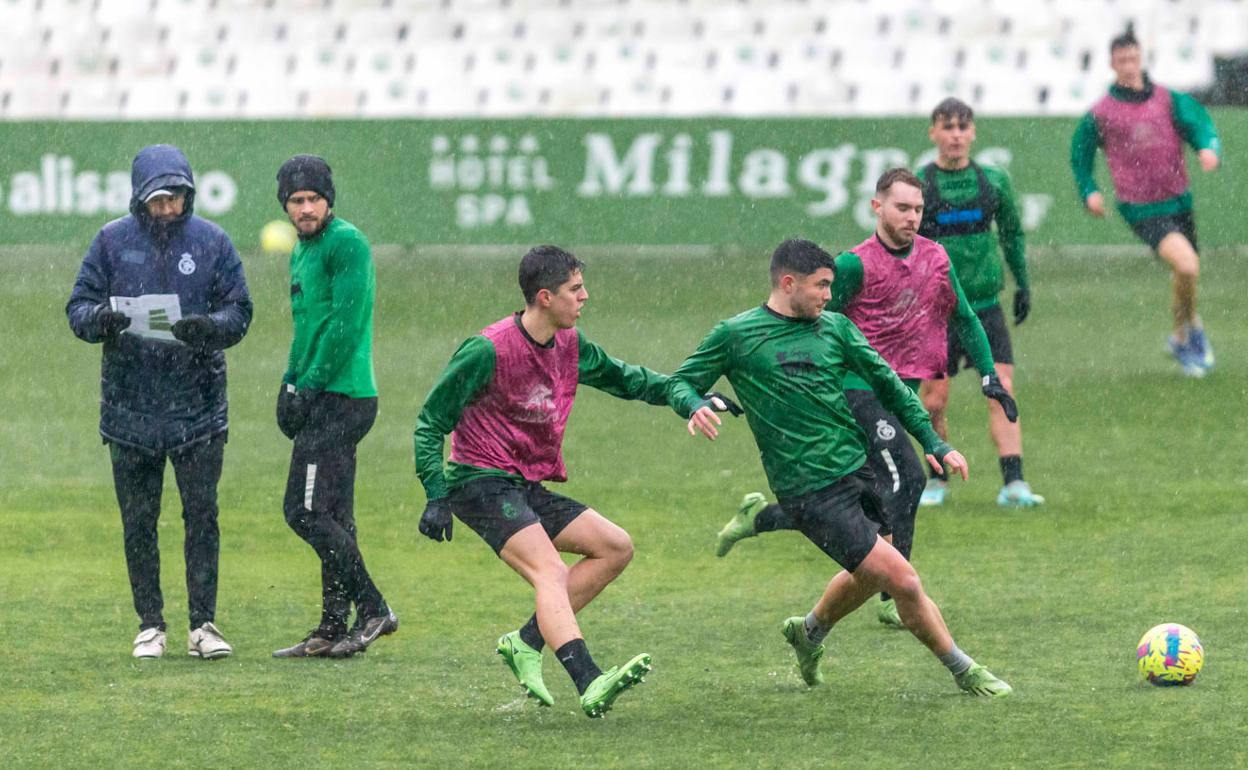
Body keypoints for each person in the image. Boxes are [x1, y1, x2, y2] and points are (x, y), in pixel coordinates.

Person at [669, 237, 1012, 697]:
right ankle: (964, 669)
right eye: (821, 286)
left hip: (858, 472)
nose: (830, 295)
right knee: (904, 580)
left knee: (869, 577)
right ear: (788, 284)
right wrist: (693, 403)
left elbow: (889, 387)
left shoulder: (835, 329)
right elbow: (681, 381)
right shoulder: (736, 335)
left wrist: (933, 441)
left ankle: (808, 632)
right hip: (808, 491)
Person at [715, 169, 1017, 629]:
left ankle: (762, 518)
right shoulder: (854, 265)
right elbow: (806, 322)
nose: (912, 216)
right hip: (855, 393)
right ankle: (896, 592)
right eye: (902, 207)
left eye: (918, 209)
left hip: (901, 394)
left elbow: (967, 316)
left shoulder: (935, 258)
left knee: (857, 502)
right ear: (877, 207)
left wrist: (990, 375)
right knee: (910, 478)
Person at [415, 245, 686, 718]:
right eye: (575, 289)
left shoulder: (571, 344)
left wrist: (689, 396)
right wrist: (436, 494)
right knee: (550, 572)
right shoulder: (488, 349)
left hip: (524, 485)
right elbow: (430, 421)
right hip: (479, 483)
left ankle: (525, 642)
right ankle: (588, 678)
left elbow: (629, 380)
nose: (585, 296)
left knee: (615, 547)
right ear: (544, 297)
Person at [66, 144, 252, 660]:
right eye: (158, 199)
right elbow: (77, 306)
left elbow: (239, 311)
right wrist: (101, 319)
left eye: (176, 198)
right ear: (140, 199)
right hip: (129, 411)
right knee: (139, 522)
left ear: (189, 194)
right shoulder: (109, 242)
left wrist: (206, 329)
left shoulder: (213, 242)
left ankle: (204, 626)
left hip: (199, 409)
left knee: (202, 516)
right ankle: (150, 624)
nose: (168, 208)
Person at [270, 155, 398, 660]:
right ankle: (330, 626)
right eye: (297, 201)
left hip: (343, 398)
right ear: (285, 203)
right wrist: (288, 383)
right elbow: (307, 329)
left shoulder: (346, 243)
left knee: (303, 512)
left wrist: (310, 386)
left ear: (329, 200)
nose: (305, 209)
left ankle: (373, 608)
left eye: (314, 200)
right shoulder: (301, 253)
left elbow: (345, 326)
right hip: (321, 393)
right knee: (335, 516)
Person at [1070, 27, 1222, 377]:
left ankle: (1182, 333)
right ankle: (1189, 335)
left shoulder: (1167, 99)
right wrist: (1089, 190)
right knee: (1186, 266)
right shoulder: (1103, 112)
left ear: (1141, 58)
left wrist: (1207, 148)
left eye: (1133, 58)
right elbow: (1080, 157)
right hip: (1140, 207)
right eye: (1122, 60)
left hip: (1179, 200)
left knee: (1185, 272)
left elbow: (1199, 124)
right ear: (1112, 63)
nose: (1129, 65)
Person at [916, 98, 1044, 508]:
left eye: (962, 126)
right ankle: (936, 480)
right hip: (937, 311)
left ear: (973, 132)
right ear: (933, 132)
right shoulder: (919, 186)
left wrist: (1022, 284)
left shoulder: (994, 181)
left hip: (985, 307)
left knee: (1001, 390)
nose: (955, 134)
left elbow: (1012, 234)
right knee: (934, 399)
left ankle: (1014, 483)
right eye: (947, 126)